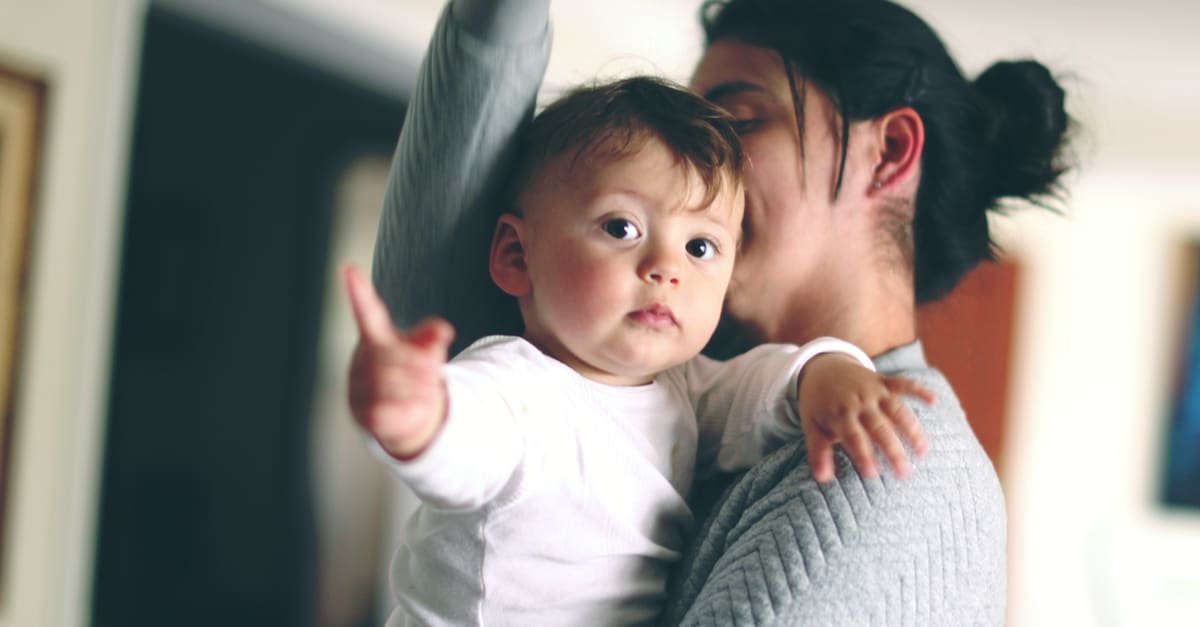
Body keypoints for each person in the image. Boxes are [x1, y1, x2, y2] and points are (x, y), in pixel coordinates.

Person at [361, 0, 1072, 624]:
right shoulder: (663, 376)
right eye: (622, 222)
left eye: (736, 122)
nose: (698, 176)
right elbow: (444, 326)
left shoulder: (887, 456)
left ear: (886, 151)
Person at [347, 76, 933, 626]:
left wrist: (826, 372)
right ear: (516, 257)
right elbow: (466, 437)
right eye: (621, 228)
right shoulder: (518, 387)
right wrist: (419, 416)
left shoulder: (687, 390)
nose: (666, 269)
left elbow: (763, 387)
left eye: (701, 246)